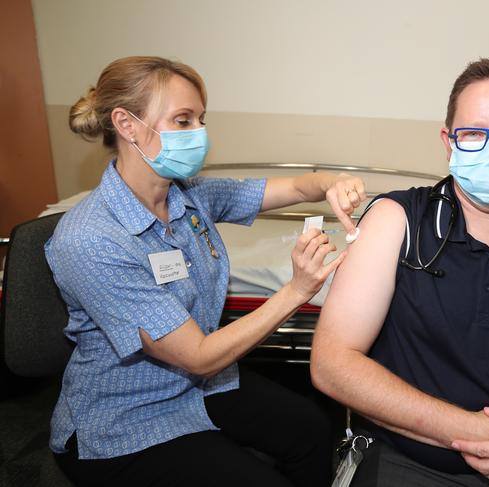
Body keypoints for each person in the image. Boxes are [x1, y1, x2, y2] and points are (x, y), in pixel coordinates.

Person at [45, 56, 367, 487]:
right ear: (126, 124)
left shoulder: (187, 197)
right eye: (182, 120)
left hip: (196, 387)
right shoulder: (89, 239)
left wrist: (332, 182)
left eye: (200, 119)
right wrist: (296, 290)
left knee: (310, 427)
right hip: (124, 421)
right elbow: (198, 356)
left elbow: (295, 186)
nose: (199, 134)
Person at [311, 58, 489, 486]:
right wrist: (487, 437)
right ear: (449, 142)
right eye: (473, 134)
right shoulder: (398, 220)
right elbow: (333, 362)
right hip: (407, 462)